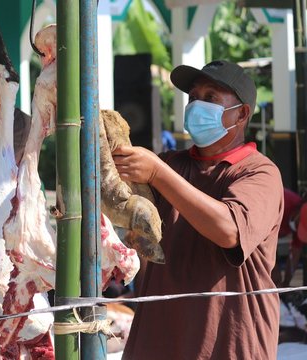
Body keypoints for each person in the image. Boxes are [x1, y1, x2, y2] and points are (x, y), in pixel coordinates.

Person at [113, 60, 283, 359]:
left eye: (210, 98)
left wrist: (157, 174)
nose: (196, 105)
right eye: (193, 97)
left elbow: (228, 230)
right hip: (159, 342)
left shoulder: (259, 173)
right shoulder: (171, 163)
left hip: (228, 345)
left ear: (241, 113)